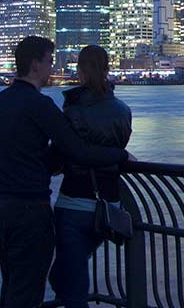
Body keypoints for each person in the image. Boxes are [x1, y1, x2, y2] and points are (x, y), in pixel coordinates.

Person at [0, 36, 133, 308]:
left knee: (12, 285)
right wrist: (120, 155)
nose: (52, 68)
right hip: (29, 207)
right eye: (49, 62)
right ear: (35, 64)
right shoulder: (39, 105)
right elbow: (76, 149)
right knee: (27, 293)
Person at [49, 45, 132, 308]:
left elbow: (63, 155)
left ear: (80, 70)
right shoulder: (123, 111)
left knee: (70, 283)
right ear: (107, 69)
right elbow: (117, 149)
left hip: (74, 201)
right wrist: (118, 156)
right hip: (109, 205)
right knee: (70, 275)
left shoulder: (72, 111)